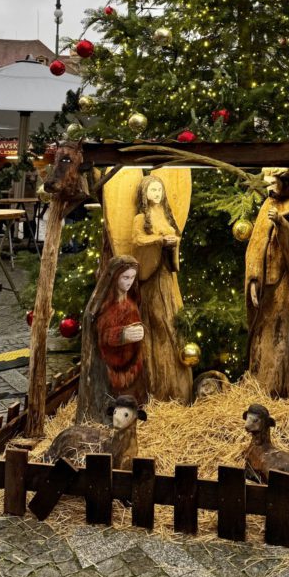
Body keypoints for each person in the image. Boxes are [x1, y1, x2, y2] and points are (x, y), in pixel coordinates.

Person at [130, 174, 193, 404]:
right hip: (151, 275)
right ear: (144, 193)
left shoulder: (166, 215)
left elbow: (174, 235)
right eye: (152, 190)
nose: (156, 194)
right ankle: (155, 383)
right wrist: (158, 240)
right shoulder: (140, 218)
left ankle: (176, 385)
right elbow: (137, 240)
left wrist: (172, 240)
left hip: (166, 274)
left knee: (170, 319)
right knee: (157, 320)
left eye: (159, 190)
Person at [245, 167, 289, 398]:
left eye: (273, 183)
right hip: (265, 285)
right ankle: (259, 385)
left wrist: (281, 223)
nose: (269, 187)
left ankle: (279, 389)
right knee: (261, 337)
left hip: (283, 283)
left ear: (284, 182)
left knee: (281, 338)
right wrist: (253, 278)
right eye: (267, 183)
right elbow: (256, 244)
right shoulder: (266, 206)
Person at [76, 255, 147, 422]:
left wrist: (139, 331)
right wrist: (122, 335)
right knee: (116, 397)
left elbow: (135, 321)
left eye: (132, 277)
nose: (129, 282)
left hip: (131, 361)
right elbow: (102, 333)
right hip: (112, 365)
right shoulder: (107, 304)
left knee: (133, 392)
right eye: (125, 277)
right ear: (115, 277)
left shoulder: (130, 301)